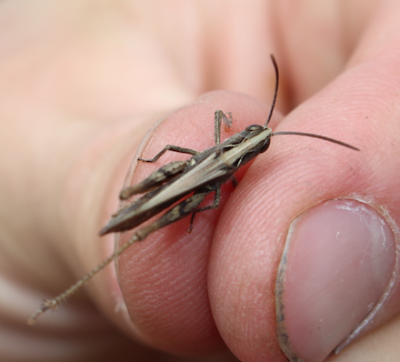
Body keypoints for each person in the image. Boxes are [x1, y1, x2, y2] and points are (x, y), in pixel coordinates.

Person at [1, 1, 399, 361]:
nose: (256, 142)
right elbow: (213, 197)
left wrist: (200, 199)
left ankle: (65, 293)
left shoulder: (229, 154)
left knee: (158, 219)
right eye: (254, 137)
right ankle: (68, 288)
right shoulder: (231, 163)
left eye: (259, 145)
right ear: (245, 140)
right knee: (160, 181)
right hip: (197, 173)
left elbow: (210, 192)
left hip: (201, 175)